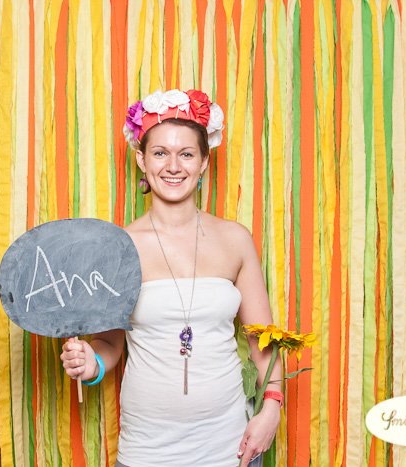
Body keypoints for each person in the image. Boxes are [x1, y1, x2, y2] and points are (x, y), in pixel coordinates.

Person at [60, 89, 282, 466]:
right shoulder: (119, 248)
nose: (173, 166)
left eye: (187, 154)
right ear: (142, 160)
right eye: (161, 153)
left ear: (204, 162)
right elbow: (110, 343)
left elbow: (264, 341)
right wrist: (90, 364)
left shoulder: (235, 240)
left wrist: (272, 408)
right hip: (147, 451)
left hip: (230, 448)